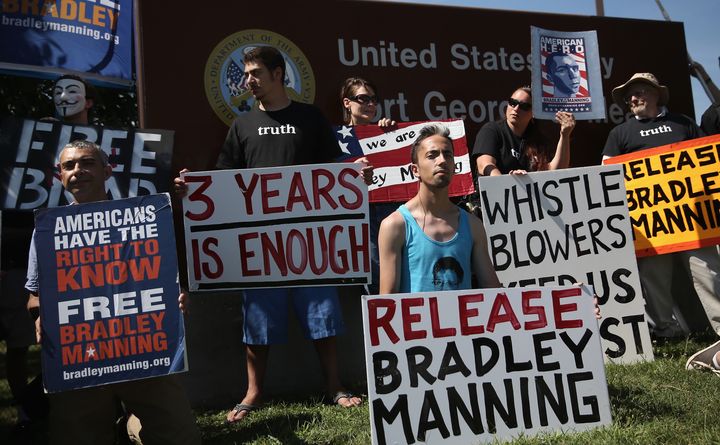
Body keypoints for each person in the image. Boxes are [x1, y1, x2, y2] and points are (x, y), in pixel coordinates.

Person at [174, 46, 367, 423]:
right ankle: (254, 392)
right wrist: (191, 191)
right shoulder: (242, 125)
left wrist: (353, 172)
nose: (249, 81)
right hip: (260, 251)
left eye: (256, 73)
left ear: (279, 74)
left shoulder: (310, 118)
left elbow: (334, 169)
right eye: (246, 74)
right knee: (258, 322)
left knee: (322, 315)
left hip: (311, 244)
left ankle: (335, 386)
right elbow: (224, 180)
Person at [25, 140, 200, 445]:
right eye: (69, 166)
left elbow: (165, 279)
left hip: (145, 350)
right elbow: (35, 296)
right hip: (79, 355)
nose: (78, 171)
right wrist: (40, 316)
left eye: (87, 163)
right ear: (59, 177)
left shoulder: (145, 217)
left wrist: (178, 295)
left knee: (179, 437)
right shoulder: (47, 229)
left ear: (107, 170)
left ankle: (131, 425)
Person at [601, 72, 720, 372]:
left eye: (639, 91)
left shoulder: (684, 124)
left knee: (708, 274)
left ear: (656, 94)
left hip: (695, 223)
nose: (633, 98)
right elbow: (606, 175)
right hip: (650, 231)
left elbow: (708, 162)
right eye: (629, 95)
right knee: (653, 279)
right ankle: (664, 332)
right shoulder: (620, 135)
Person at [378, 124, 501, 294]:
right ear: (415, 170)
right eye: (432, 155)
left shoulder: (473, 226)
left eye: (448, 155)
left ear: (454, 166)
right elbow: (387, 302)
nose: (442, 160)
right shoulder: (394, 226)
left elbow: (493, 291)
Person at [340, 77, 395, 295]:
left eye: (374, 100)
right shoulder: (333, 139)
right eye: (363, 99)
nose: (371, 105)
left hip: (389, 212)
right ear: (347, 103)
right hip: (359, 219)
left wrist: (393, 134)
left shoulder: (387, 132)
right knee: (377, 277)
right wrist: (348, 171)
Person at [473, 86, 575, 177]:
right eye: (513, 103)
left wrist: (565, 135)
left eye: (524, 106)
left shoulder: (537, 139)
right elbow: (484, 165)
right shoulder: (492, 130)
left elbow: (555, 172)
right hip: (496, 196)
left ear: (533, 113)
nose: (516, 109)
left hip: (527, 197)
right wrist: (505, 184)